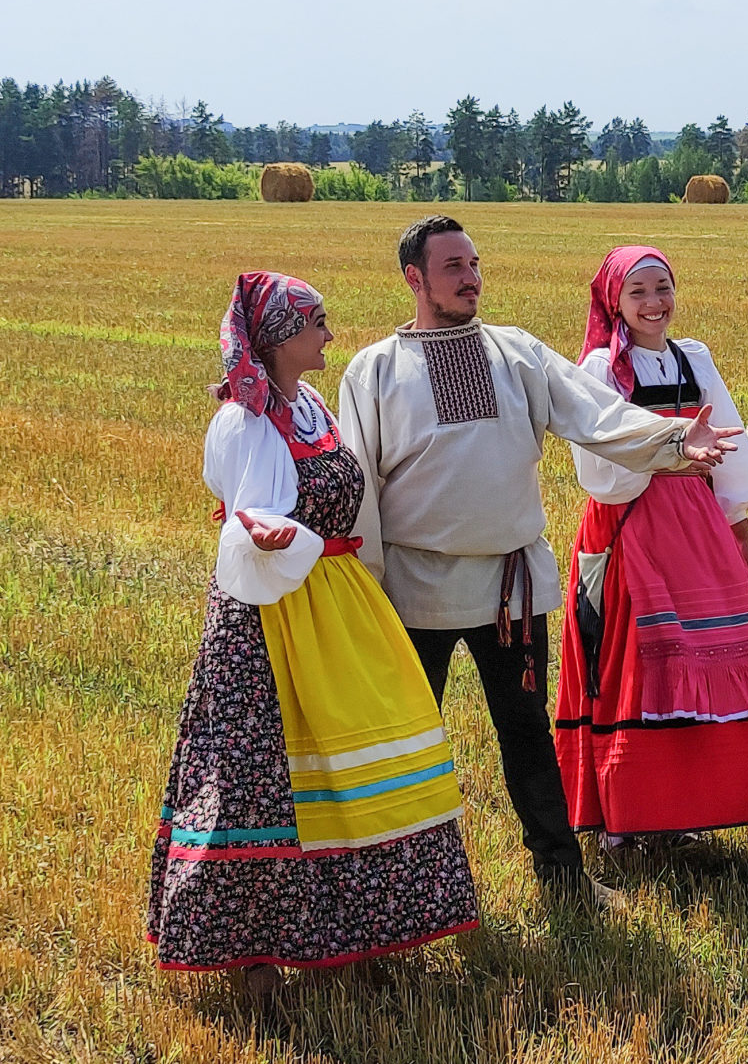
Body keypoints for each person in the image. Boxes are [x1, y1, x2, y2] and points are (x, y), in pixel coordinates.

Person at [338, 216, 736, 909]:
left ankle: (564, 878)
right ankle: (393, 894)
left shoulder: (515, 351)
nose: (471, 276)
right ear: (414, 277)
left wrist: (673, 437)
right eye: (453, 266)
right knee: (404, 745)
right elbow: (358, 490)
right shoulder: (373, 370)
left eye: (474, 262)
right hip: (411, 589)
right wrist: (365, 589)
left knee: (527, 738)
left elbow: (597, 414)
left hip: (508, 586)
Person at [149, 272, 479, 1004]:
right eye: (316, 322)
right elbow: (244, 517)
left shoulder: (311, 406)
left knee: (359, 767)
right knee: (262, 781)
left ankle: (359, 936)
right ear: (277, 336)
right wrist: (260, 527)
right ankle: (256, 958)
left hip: (336, 602)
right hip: (269, 619)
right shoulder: (243, 421)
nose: (330, 334)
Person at [556, 246, 748, 841]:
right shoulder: (600, 370)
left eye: (662, 288)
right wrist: (670, 450)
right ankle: (629, 812)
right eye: (637, 292)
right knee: (635, 660)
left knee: (706, 655)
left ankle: (687, 807)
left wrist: (738, 523)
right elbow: (599, 465)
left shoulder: (694, 358)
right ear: (615, 301)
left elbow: (729, 440)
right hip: (632, 523)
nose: (653, 303)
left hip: (696, 526)